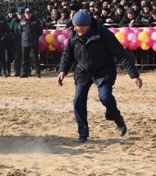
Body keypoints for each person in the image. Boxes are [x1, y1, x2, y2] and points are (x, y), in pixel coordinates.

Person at [57, 10, 143, 143]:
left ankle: (116, 118)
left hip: (104, 70)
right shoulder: (74, 35)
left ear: (87, 26)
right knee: (78, 99)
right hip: (83, 71)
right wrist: (63, 70)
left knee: (105, 97)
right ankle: (83, 133)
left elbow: (121, 54)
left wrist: (134, 75)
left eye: (77, 26)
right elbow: (67, 54)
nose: (74, 28)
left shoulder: (104, 34)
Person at [19, 7, 44, 78]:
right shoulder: (22, 21)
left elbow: (40, 31)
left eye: (29, 13)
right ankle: (24, 73)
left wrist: (34, 37)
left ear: (31, 14)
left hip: (33, 42)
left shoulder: (36, 21)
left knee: (35, 58)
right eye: (26, 13)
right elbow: (20, 31)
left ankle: (37, 73)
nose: (28, 15)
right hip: (24, 42)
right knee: (24, 59)